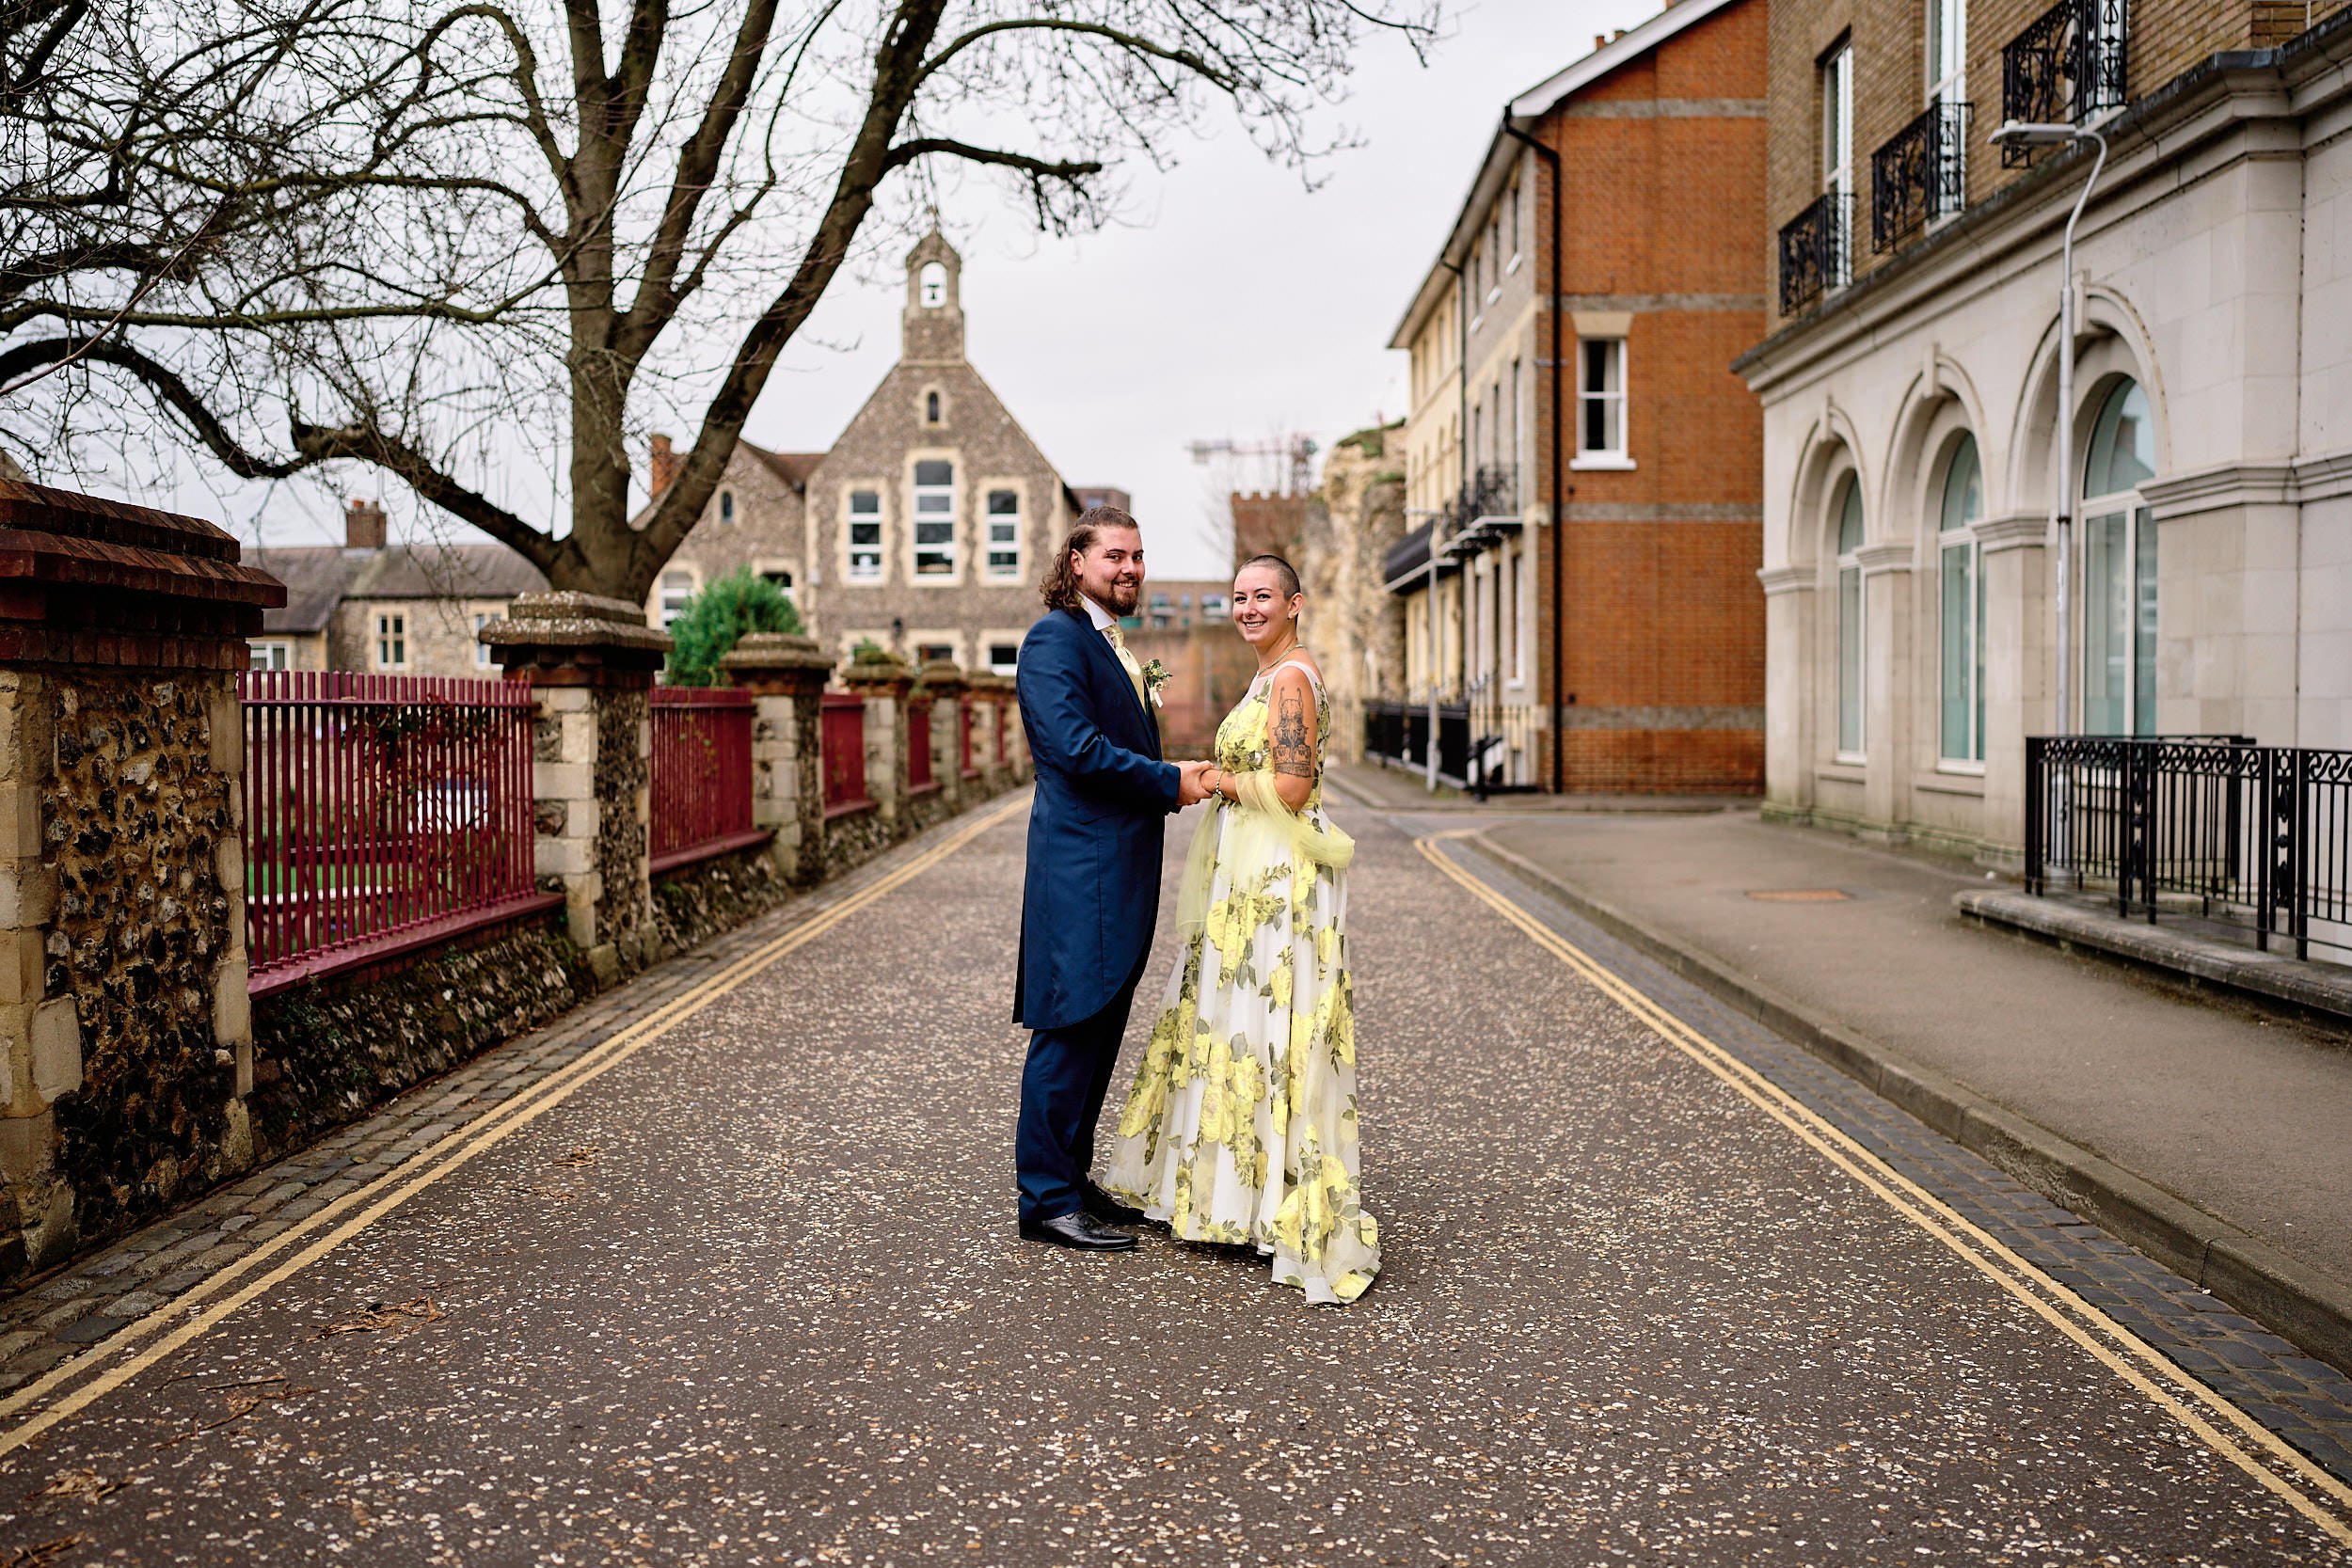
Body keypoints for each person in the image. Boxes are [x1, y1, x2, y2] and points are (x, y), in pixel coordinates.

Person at [1103, 553, 1378, 1304]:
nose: (1249, 607)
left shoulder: (1291, 678)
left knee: (1271, 1025)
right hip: (1247, 871)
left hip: (1277, 879)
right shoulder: (1267, 676)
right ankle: (1235, 1196)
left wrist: (1215, 779)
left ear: (1295, 603)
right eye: (1239, 596)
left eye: (1263, 596)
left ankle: (1266, 1200)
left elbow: (1290, 785)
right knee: (1240, 1024)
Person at [1013, 505, 1214, 1252]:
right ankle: (1044, 1199)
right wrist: (1170, 780)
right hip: (1081, 874)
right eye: (1114, 556)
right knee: (1069, 1031)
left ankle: (1071, 1177)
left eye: (1137, 556)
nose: (1129, 568)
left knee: (1098, 1034)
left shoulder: (1103, 641)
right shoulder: (1054, 640)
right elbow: (1076, 750)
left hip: (1114, 872)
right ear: (1077, 563)